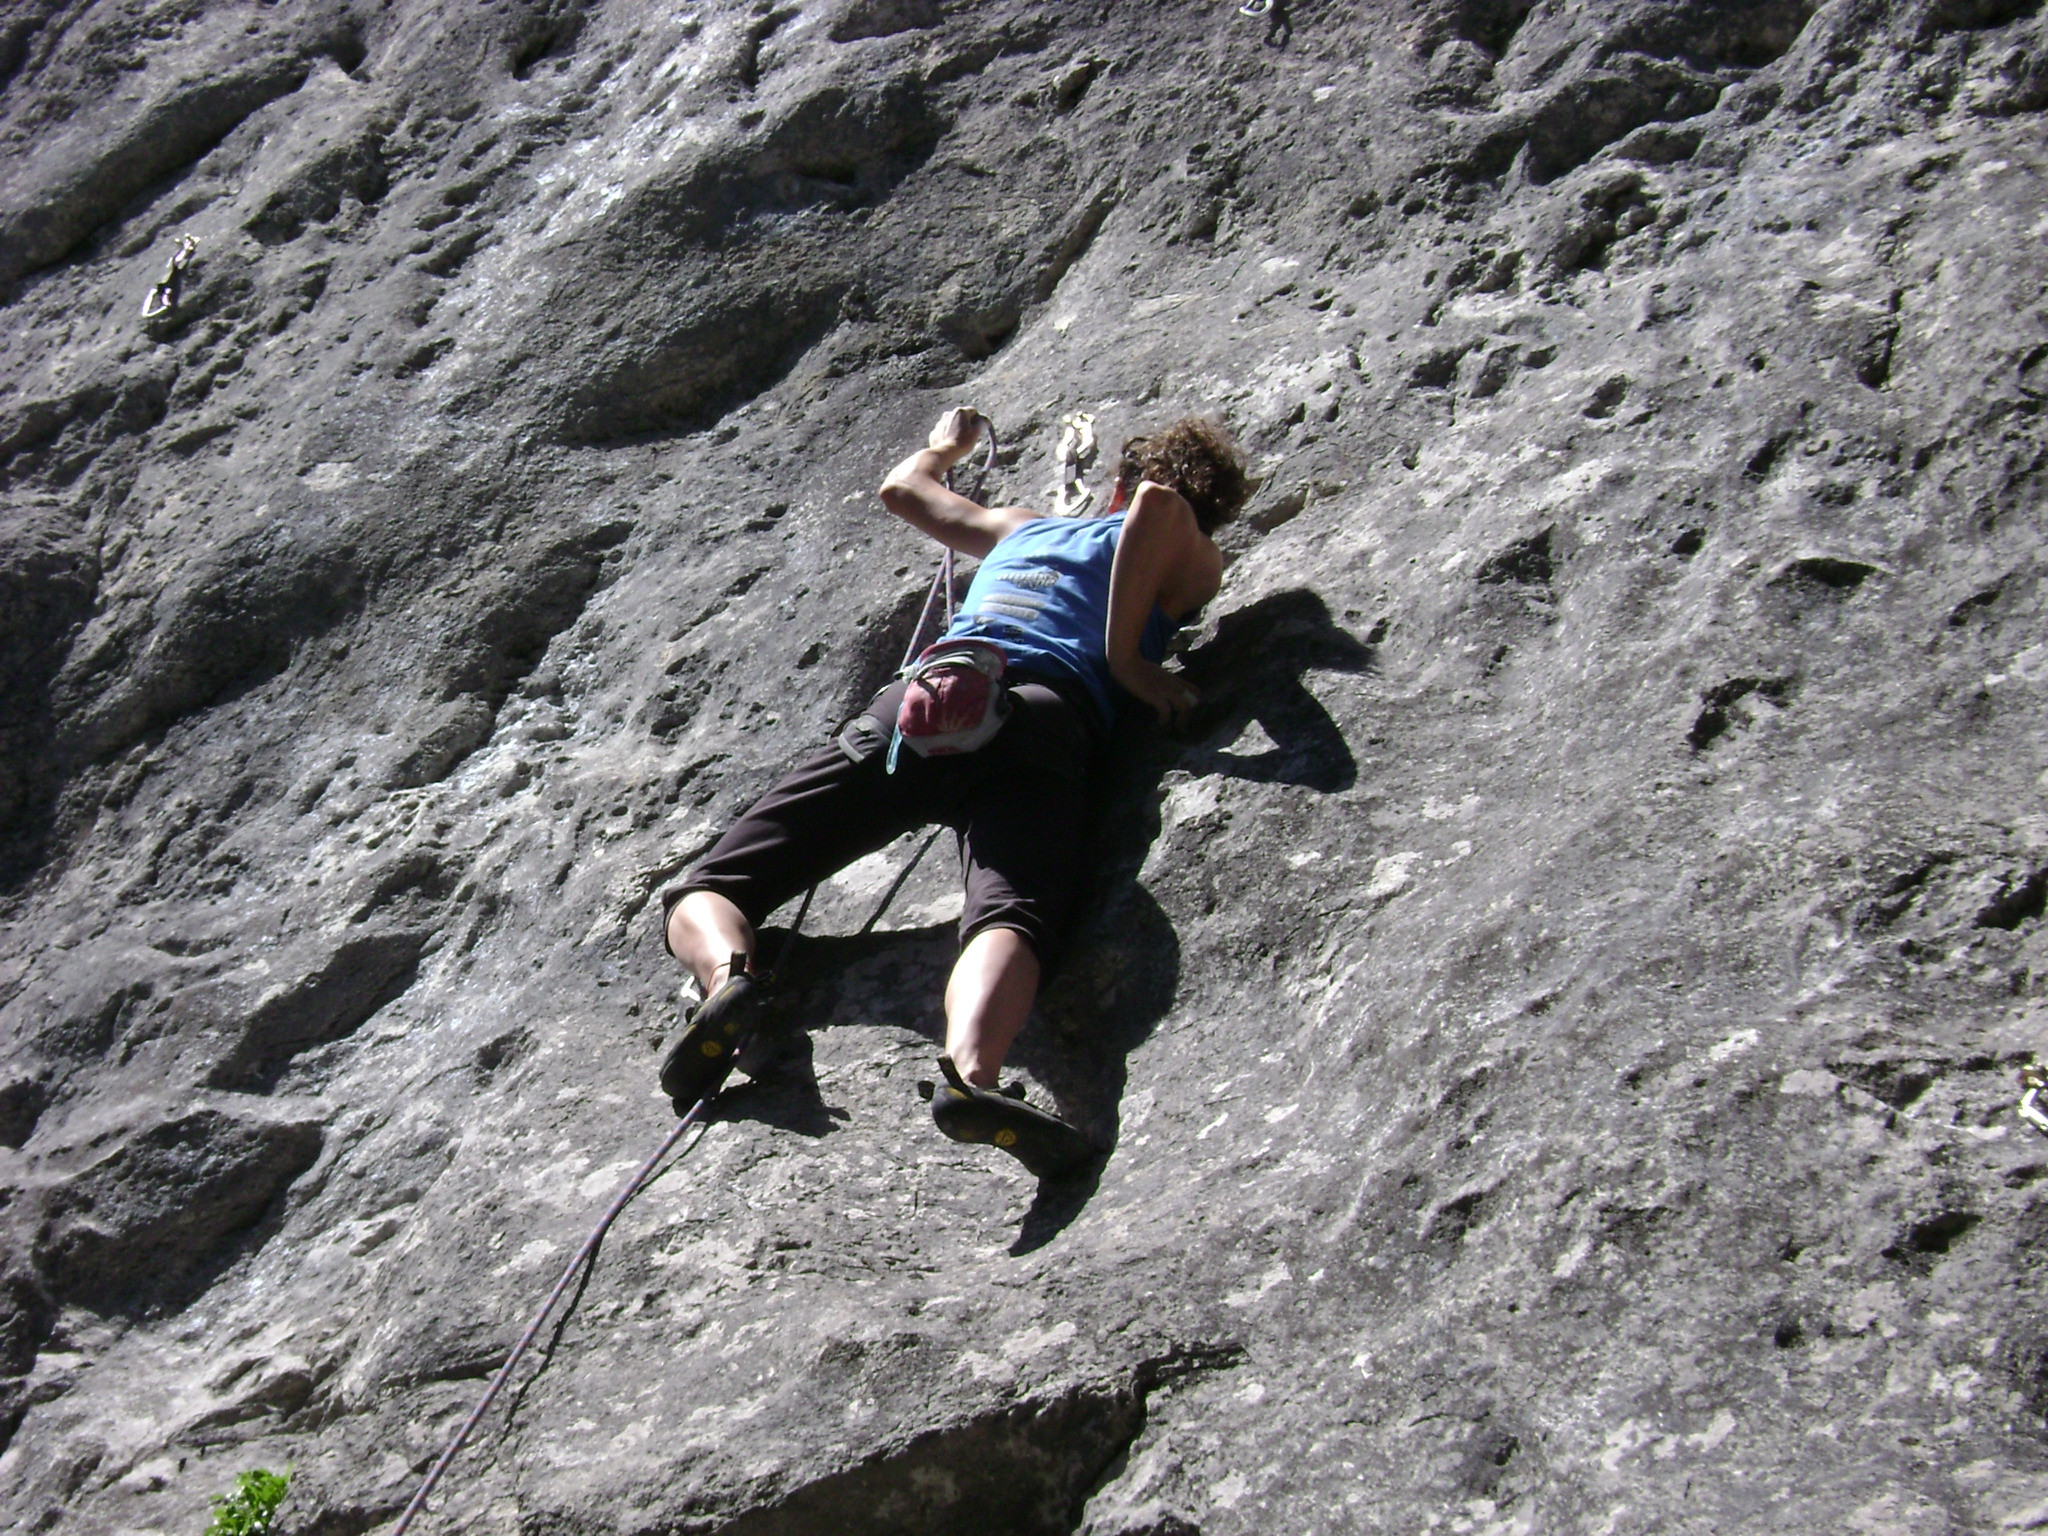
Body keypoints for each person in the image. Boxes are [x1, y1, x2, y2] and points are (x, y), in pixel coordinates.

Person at [656, 407, 1248, 1175]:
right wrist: (1131, 663)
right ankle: (972, 1079)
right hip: (1044, 722)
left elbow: (904, 489)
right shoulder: (1196, 563)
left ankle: (727, 983)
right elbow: (1162, 509)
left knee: (712, 887)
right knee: (1010, 914)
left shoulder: (1024, 528)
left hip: (923, 707)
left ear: (1117, 483)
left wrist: (947, 449)